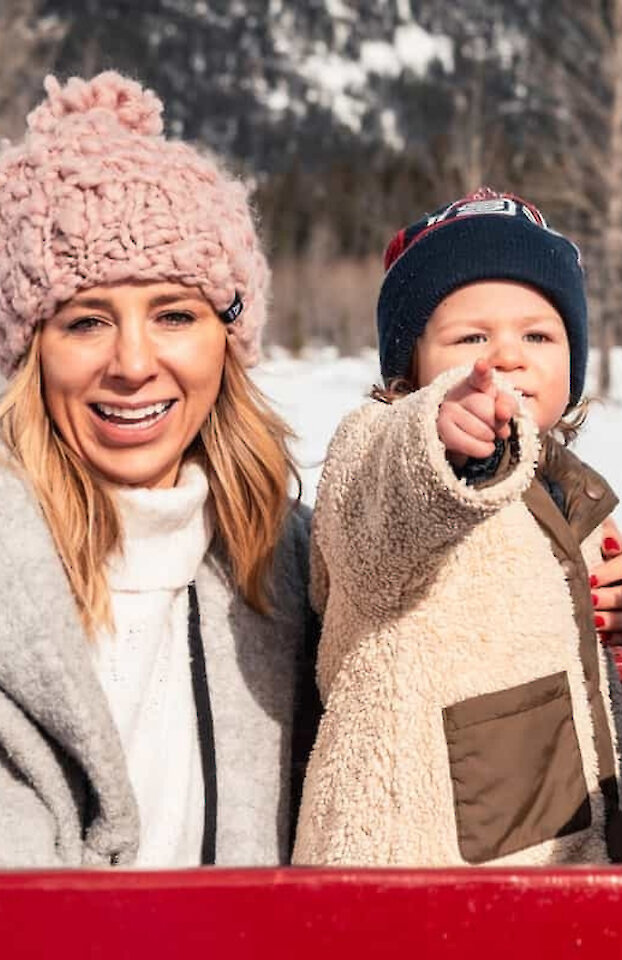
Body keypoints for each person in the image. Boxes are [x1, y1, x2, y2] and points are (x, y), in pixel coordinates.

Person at [0, 73, 318, 867]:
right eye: (86, 322)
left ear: (228, 340)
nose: (134, 364)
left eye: (174, 314)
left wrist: (558, 554)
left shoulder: (287, 561)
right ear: (27, 356)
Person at [292, 189, 622, 866]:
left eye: (538, 335)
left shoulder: (557, 481)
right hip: (416, 859)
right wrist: (434, 435)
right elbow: (378, 519)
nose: (508, 357)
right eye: (472, 339)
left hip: (547, 840)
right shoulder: (380, 450)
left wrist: (614, 597)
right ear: (411, 372)